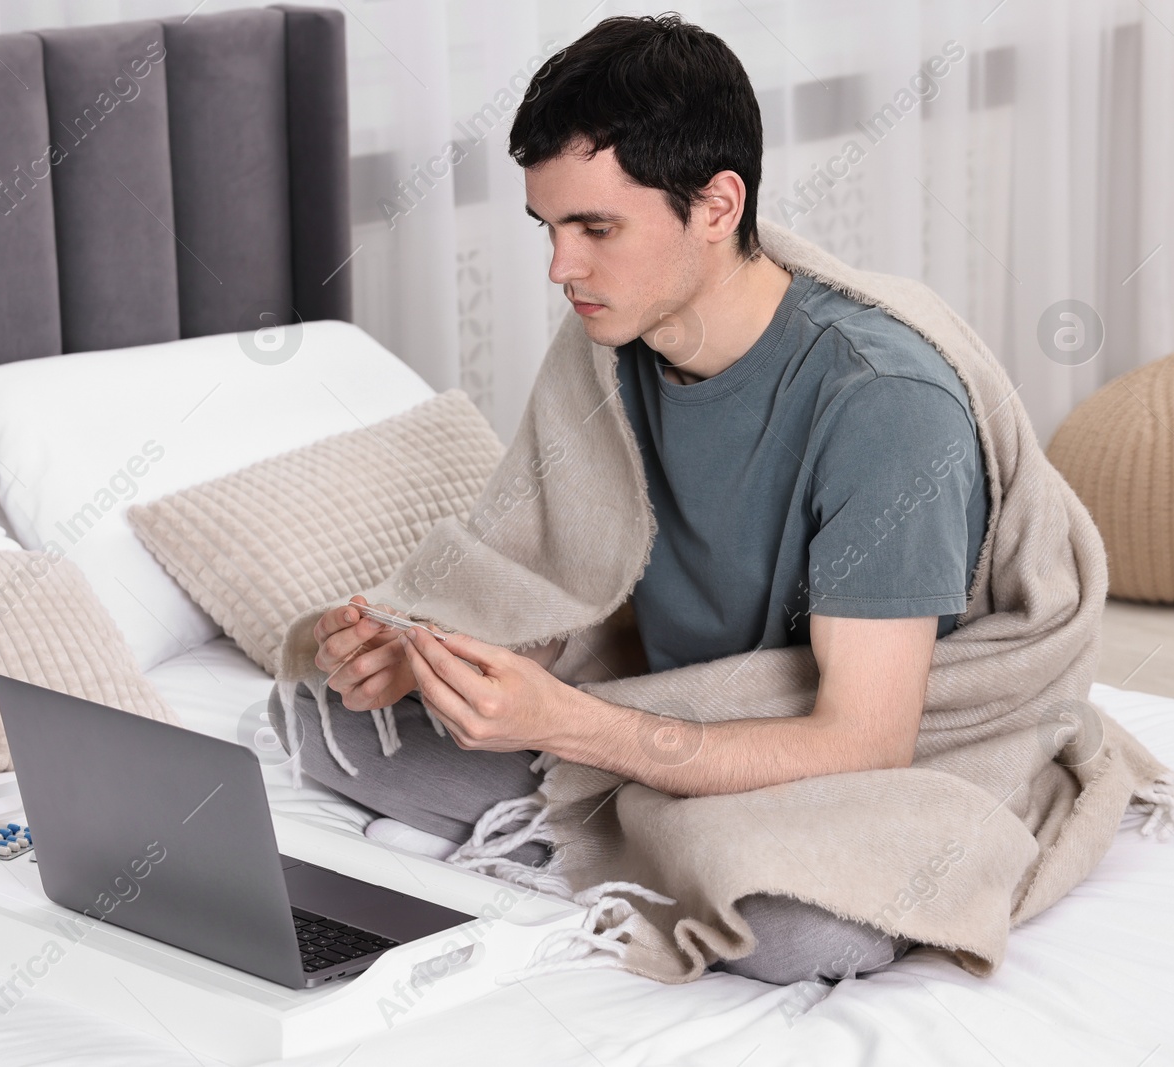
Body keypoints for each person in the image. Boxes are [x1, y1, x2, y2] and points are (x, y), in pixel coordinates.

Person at [270, 13, 988, 986]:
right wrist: (417, 657)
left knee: (809, 933)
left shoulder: (884, 405)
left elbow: (863, 737)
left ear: (716, 205)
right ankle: (641, 848)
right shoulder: (609, 345)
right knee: (323, 724)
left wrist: (564, 724)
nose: (560, 269)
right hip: (663, 712)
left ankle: (604, 840)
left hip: (825, 749)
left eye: (595, 228)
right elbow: (539, 577)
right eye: (549, 227)